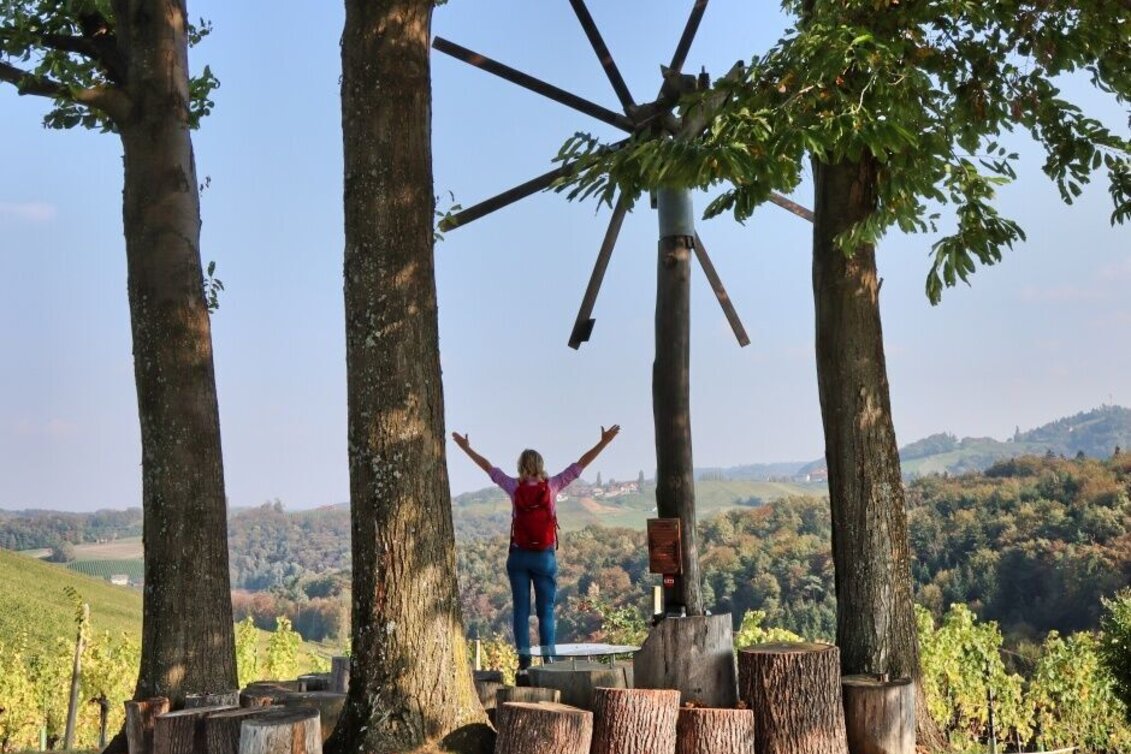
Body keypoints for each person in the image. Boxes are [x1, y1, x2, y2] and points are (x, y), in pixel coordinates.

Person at [452, 425, 620, 668]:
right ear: (541, 466)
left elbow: (489, 468)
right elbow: (580, 465)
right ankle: (549, 659)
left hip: (519, 557)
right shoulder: (552, 487)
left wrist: (467, 449)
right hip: (544, 557)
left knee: (521, 610)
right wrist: (604, 442)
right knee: (546, 611)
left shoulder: (514, 487)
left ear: (521, 466)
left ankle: (524, 660)